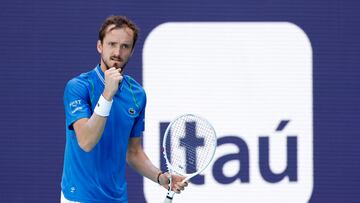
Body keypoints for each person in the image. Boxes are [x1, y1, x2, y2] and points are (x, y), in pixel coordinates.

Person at [61, 15, 187, 203]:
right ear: (99, 46)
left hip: (117, 198)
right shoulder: (78, 87)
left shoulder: (137, 94)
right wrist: (107, 95)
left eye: (125, 46)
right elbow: (86, 141)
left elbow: (133, 152)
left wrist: (161, 178)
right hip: (79, 197)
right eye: (111, 44)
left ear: (132, 51)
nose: (117, 52)